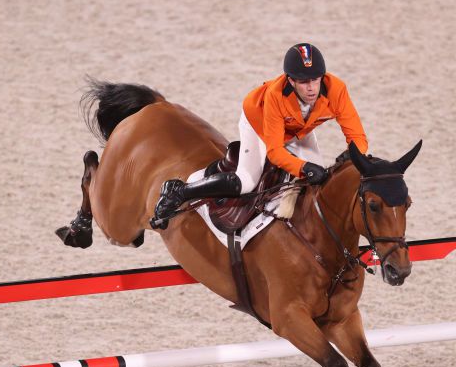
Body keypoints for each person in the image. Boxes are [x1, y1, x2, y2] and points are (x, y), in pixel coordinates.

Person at [152, 42, 369, 228]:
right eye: (303, 82)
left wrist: (353, 155)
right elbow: (275, 152)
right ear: (291, 81)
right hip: (259, 122)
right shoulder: (276, 95)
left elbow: (357, 136)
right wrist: (303, 167)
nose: (311, 88)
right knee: (247, 181)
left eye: (315, 80)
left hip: (298, 129)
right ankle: (181, 191)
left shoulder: (336, 89)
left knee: (318, 184)